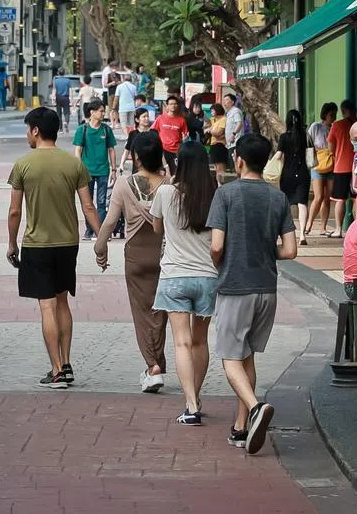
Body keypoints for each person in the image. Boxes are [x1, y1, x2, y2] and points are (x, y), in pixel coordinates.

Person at [207, 133, 297, 455]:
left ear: (239, 160)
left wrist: (221, 260)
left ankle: (257, 407)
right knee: (247, 357)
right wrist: (262, 247)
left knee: (230, 359)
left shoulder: (226, 194)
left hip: (235, 287)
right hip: (267, 290)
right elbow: (290, 251)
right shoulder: (279, 198)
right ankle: (241, 427)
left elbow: (216, 245)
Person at [7, 107, 103, 388]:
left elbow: (14, 212)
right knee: (62, 301)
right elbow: (88, 206)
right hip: (68, 244)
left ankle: (56, 370)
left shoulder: (23, 165)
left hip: (37, 245)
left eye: (28, 129)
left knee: (46, 306)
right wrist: (100, 239)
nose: (27, 134)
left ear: (36, 131)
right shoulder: (74, 164)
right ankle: (67, 362)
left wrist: (12, 244)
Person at [94, 132, 168, 393]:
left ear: (136, 157)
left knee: (142, 313)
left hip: (136, 256)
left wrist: (99, 247)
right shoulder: (169, 183)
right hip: (163, 255)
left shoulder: (125, 185)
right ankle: (157, 361)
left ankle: (152, 366)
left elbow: (110, 221)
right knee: (160, 313)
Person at [151, 140, 217, 424]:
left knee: (181, 343)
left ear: (179, 164)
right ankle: (196, 395)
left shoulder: (165, 192)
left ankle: (190, 405)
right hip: (208, 277)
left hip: (175, 276)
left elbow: (157, 228)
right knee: (200, 342)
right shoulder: (216, 195)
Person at [73, 99, 117, 240]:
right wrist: (79, 169)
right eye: (101, 111)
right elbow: (78, 151)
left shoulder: (106, 129)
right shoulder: (82, 130)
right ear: (92, 112)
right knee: (88, 202)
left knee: (102, 201)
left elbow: (111, 150)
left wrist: (114, 169)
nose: (103, 113)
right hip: (86, 172)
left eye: (104, 111)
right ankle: (89, 230)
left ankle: (101, 231)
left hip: (103, 170)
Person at [273, 109, 311, 245]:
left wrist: (269, 165)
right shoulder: (305, 136)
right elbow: (311, 156)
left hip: (287, 173)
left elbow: (278, 156)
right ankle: (302, 235)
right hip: (303, 173)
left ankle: (288, 234)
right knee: (302, 203)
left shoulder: (284, 137)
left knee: (287, 204)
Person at [304, 102, 338, 237]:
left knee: (327, 197)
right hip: (317, 163)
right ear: (325, 114)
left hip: (331, 163)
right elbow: (308, 143)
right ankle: (309, 224)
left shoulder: (334, 128)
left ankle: (323, 227)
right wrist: (309, 162)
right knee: (318, 196)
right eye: (331, 115)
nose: (333, 117)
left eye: (334, 114)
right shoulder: (315, 126)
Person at [326, 99, 357, 238]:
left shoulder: (337, 125)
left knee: (340, 199)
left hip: (341, 167)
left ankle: (338, 229)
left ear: (342, 110)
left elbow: (330, 148)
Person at [153, 94, 190, 175]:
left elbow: (186, 135)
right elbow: (153, 131)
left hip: (177, 150)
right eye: (171, 104)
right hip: (163, 149)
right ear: (167, 106)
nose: (173, 106)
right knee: (163, 172)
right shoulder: (160, 118)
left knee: (176, 172)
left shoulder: (182, 120)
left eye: (175, 104)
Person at [123, 108, 153, 174]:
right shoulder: (132, 134)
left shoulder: (154, 133)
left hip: (152, 169)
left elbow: (159, 151)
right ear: (137, 119)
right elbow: (127, 150)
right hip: (137, 170)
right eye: (144, 117)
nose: (147, 118)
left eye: (147, 116)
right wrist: (122, 164)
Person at [208, 104, 229, 184]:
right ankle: (218, 185)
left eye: (212, 110)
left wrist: (210, 131)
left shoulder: (223, 119)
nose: (211, 112)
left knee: (221, 168)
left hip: (219, 145)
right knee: (216, 168)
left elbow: (218, 133)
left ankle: (222, 185)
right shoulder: (214, 120)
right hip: (214, 144)